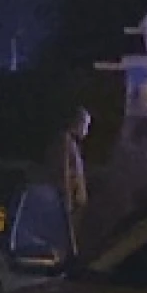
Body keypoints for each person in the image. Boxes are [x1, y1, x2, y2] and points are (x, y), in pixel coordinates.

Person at [48, 107, 90, 256]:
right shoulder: (64, 141)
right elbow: (63, 171)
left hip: (75, 203)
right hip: (68, 202)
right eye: (85, 124)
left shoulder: (73, 144)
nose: (86, 129)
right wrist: (66, 199)